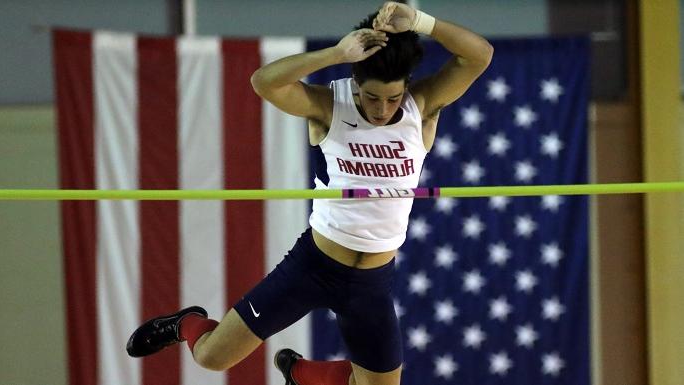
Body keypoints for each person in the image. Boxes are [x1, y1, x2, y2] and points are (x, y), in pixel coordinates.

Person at [126, 2, 492, 385]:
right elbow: (264, 82)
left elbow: (480, 55)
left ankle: (299, 373)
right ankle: (186, 322)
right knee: (211, 357)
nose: (383, 109)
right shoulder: (329, 106)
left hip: (372, 282)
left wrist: (420, 21)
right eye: (371, 97)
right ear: (355, 80)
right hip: (314, 265)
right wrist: (336, 53)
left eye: (392, 98)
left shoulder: (423, 107)